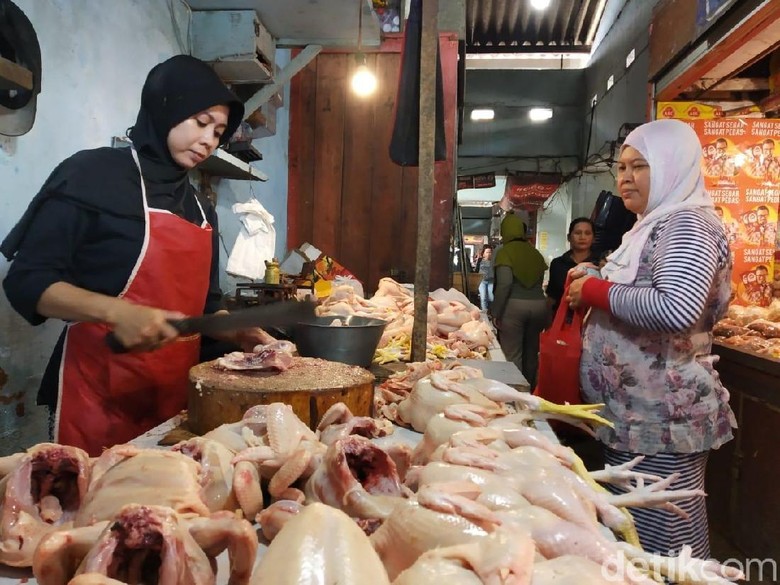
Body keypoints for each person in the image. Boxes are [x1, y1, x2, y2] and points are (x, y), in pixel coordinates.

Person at [1, 55, 270, 456]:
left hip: (175, 401)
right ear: (167, 106)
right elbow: (26, 280)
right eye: (200, 122)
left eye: (218, 132)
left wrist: (243, 332)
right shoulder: (92, 174)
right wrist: (117, 312)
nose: (209, 140)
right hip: (98, 396)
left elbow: (207, 308)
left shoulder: (199, 208)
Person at [566, 119, 737, 558]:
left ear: (671, 167)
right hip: (637, 418)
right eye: (621, 167)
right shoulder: (652, 224)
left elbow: (676, 309)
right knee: (642, 534)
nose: (625, 177)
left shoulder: (689, 227)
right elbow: (647, 287)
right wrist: (596, 275)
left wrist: (597, 291)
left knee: (665, 545)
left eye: (639, 166)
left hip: (662, 422)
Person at [491, 213, 549, 388]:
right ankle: (530, 389)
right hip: (540, 306)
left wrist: (495, 312)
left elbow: (505, 284)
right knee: (531, 353)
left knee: (512, 353)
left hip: (514, 307)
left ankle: (514, 393)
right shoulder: (535, 252)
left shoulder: (505, 252)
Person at [545, 217, 598, 315]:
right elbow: (552, 297)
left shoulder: (600, 264)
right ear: (569, 237)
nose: (582, 237)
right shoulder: (558, 263)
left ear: (593, 238)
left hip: (593, 322)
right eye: (578, 233)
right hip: (563, 320)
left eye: (587, 233)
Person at [475, 245, 494, 311]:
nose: (489, 254)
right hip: (482, 281)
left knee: (491, 298)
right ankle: (484, 312)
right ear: (483, 253)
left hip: (491, 281)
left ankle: (490, 311)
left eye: (490, 252)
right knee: (483, 298)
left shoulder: (493, 261)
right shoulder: (480, 260)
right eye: (487, 252)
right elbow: (477, 270)